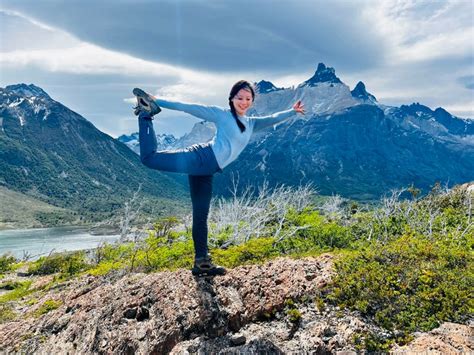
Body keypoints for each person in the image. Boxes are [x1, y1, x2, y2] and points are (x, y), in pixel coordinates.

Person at [133, 80, 305, 276]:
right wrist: (158, 101)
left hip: (207, 170)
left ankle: (202, 263)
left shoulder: (251, 123)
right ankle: (146, 112)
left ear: (252, 101)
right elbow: (190, 107)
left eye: (248, 98)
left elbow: (273, 118)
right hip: (200, 158)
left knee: (201, 216)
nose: (244, 102)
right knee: (149, 158)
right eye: (240, 98)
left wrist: (292, 111)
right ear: (231, 99)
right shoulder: (221, 115)